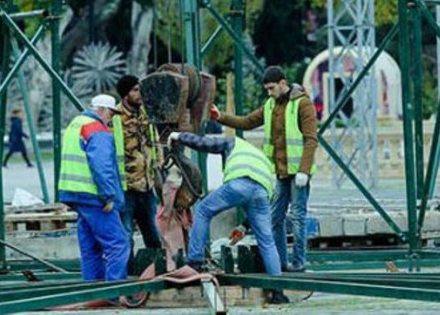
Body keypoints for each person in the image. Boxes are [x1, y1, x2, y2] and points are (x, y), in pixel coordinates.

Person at [210, 66, 318, 272]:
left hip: (298, 174)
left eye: (271, 88)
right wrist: (220, 116)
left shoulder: (302, 104)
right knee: (275, 218)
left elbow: (311, 139)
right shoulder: (270, 106)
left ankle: (299, 262)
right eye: (267, 89)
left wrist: (304, 170)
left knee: (298, 217)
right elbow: (247, 121)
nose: (269, 92)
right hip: (280, 172)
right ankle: (281, 262)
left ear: (283, 83)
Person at [167, 131, 288, 304]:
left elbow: (204, 143)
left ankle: (194, 262)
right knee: (267, 240)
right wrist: (244, 226)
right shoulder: (260, 156)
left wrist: (180, 137)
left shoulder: (233, 143)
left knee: (202, 210)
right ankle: (278, 292)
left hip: (238, 184)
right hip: (261, 192)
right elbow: (256, 195)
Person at [58, 94, 129, 282]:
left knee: (90, 247)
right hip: (94, 196)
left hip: (75, 194)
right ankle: (114, 292)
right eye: (111, 114)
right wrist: (108, 197)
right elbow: (101, 166)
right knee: (118, 244)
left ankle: (92, 290)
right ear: (102, 110)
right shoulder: (98, 130)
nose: (111, 119)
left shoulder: (76, 123)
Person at [114, 75, 163, 270]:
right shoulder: (115, 118)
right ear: (126, 94)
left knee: (152, 231)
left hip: (147, 185)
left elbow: (155, 141)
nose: (140, 93)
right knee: (125, 233)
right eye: (135, 90)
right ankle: (128, 273)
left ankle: (157, 267)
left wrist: (158, 163)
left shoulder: (145, 114)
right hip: (126, 187)